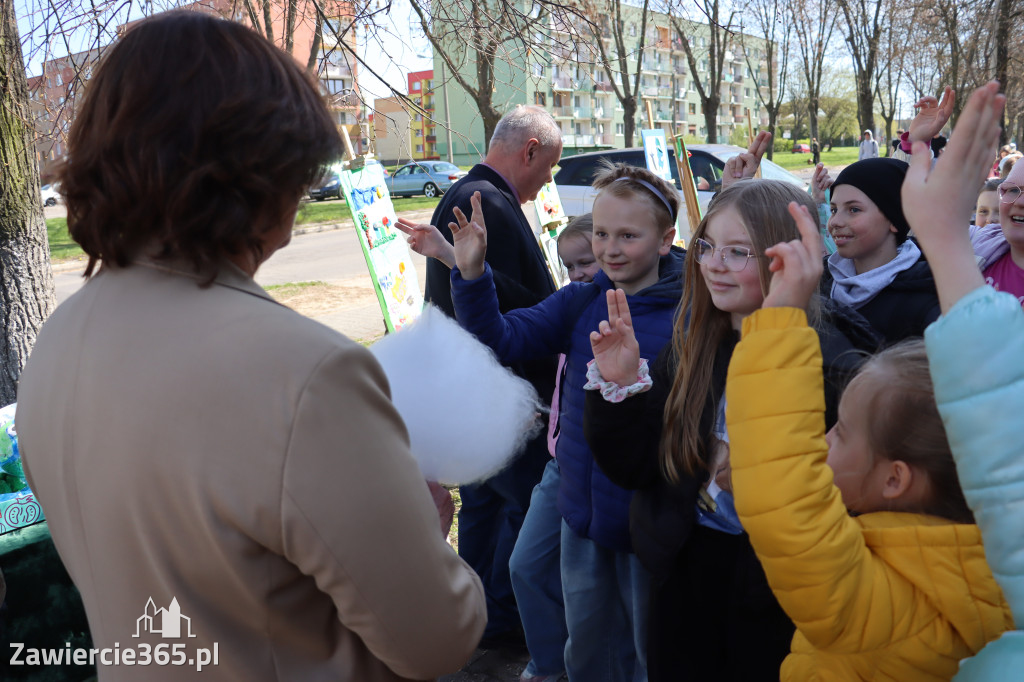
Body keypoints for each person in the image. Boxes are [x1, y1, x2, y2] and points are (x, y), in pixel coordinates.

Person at [14, 13, 486, 682]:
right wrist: (424, 537)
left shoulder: (60, 338)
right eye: (303, 165)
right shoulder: (306, 375)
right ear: (261, 169)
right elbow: (436, 638)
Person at [583, 179, 879, 681]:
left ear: (790, 261)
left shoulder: (836, 364)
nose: (714, 264)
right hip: (686, 576)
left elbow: (858, 505)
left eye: (738, 251)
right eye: (707, 246)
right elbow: (637, 468)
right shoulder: (695, 344)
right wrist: (622, 388)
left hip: (778, 597)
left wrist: (771, 477)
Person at [724, 167, 1013, 679]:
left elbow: (784, 502)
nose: (823, 439)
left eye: (840, 431)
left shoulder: (881, 601)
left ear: (895, 478)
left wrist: (779, 320)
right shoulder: (993, 560)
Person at [447, 163, 686, 682]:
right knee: (587, 638)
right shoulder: (583, 298)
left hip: (641, 512)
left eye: (628, 235)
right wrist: (471, 274)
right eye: (602, 233)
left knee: (641, 646)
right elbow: (504, 337)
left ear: (666, 239)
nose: (610, 248)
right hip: (579, 498)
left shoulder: (688, 313)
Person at [423, 105, 562, 649]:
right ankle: (499, 616)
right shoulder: (483, 202)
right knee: (524, 500)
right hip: (497, 388)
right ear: (528, 150)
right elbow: (497, 304)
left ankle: (477, 613)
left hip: (476, 383)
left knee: (486, 502)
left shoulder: (476, 194)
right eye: (547, 166)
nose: (547, 180)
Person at [902, 79, 1024, 679]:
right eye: (1009, 189)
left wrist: (943, 237)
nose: (1015, 201)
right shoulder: (983, 254)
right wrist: (917, 151)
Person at [509, 215, 600, 682]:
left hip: (598, 472)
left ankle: (571, 663)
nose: (578, 273)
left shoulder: (618, 312)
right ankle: (549, 662)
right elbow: (513, 337)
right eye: (569, 265)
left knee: (586, 588)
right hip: (559, 461)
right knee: (525, 565)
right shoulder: (569, 307)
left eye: (587, 261)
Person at [820, 157, 942, 343]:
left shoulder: (923, 304)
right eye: (834, 209)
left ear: (894, 219)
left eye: (853, 210)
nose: (835, 222)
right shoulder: (821, 281)